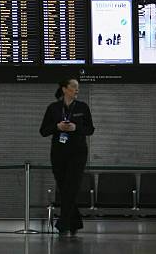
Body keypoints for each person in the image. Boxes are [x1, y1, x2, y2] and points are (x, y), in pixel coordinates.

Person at [39, 78, 95, 236]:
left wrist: (75, 127)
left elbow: (90, 129)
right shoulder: (53, 108)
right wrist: (57, 126)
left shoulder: (83, 107)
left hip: (78, 153)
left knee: (71, 186)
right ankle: (75, 223)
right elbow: (43, 131)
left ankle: (62, 225)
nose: (77, 90)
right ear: (64, 89)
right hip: (58, 152)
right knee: (64, 189)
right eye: (73, 87)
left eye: (78, 88)